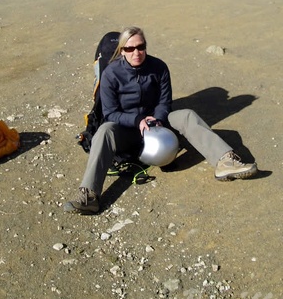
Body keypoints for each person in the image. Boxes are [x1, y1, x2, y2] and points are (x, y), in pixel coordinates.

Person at [64, 26, 258, 214]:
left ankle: (225, 162)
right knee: (105, 130)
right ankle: (89, 195)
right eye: (130, 48)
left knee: (187, 115)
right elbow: (110, 112)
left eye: (141, 47)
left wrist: (157, 119)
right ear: (122, 51)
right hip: (126, 128)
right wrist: (137, 120)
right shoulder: (111, 74)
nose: (136, 52)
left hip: (158, 124)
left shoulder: (159, 67)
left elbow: (165, 101)